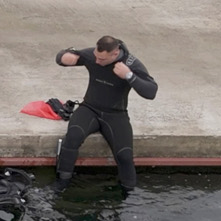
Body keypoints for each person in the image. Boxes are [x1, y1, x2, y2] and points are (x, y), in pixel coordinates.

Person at [54, 35, 158, 191]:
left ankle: (127, 193)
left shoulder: (131, 65)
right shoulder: (93, 55)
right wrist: (64, 57)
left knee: (124, 155)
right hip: (89, 108)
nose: (97, 61)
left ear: (115, 54)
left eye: (102, 59)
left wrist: (129, 76)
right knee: (73, 136)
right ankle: (62, 184)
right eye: (96, 56)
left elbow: (151, 92)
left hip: (115, 114)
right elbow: (61, 57)